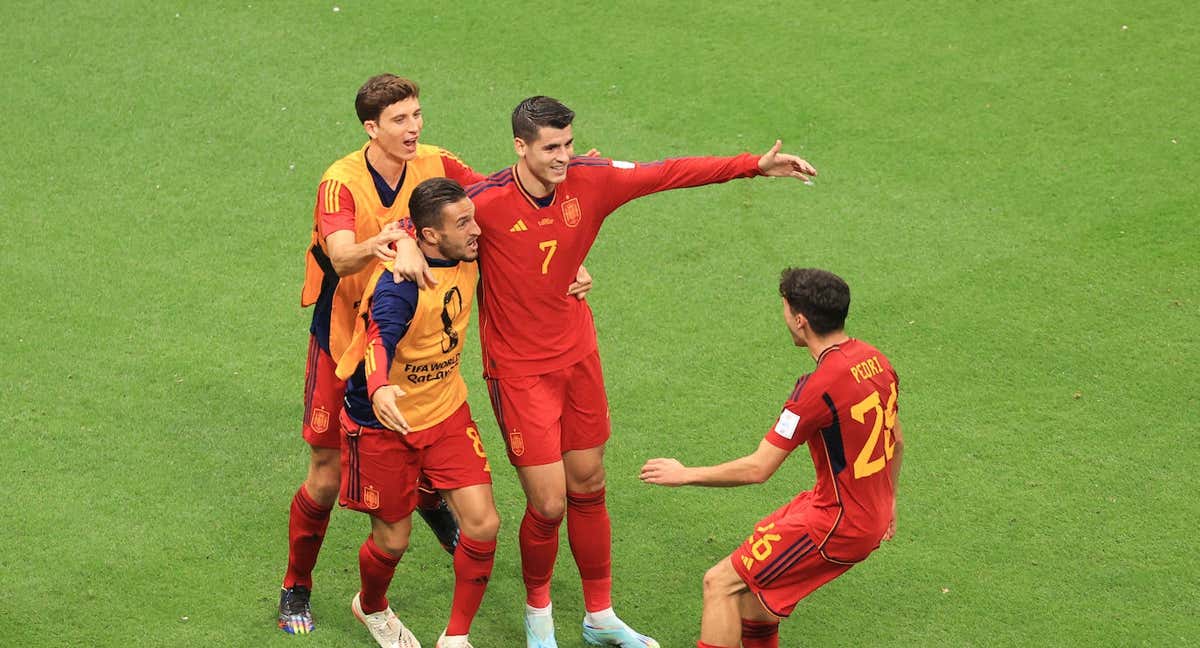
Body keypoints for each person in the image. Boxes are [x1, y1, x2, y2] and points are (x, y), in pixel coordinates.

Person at [405, 96, 817, 648]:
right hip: (520, 372)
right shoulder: (487, 203)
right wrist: (399, 247)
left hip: (578, 357)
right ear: (520, 147)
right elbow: (427, 228)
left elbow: (667, 173)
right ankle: (539, 619)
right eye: (551, 147)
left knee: (590, 485)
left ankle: (600, 616)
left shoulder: (590, 180)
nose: (564, 157)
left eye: (569, 144)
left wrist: (753, 165)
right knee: (548, 504)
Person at [279, 73, 484, 635]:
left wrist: (566, 185)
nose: (414, 128)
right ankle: (297, 583)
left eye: (417, 114)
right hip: (344, 334)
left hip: (410, 334)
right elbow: (343, 258)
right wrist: (399, 240)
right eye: (399, 119)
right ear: (371, 128)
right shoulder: (340, 182)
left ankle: (426, 498)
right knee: (324, 473)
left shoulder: (438, 162)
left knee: (425, 418)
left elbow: (493, 200)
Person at [639, 268, 903, 648]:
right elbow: (896, 440)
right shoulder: (877, 360)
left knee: (720, 584)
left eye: (784, 309)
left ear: (801, 320)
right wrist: (888, 500)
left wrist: (685, 474)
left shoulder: (816, 388)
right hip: (863, 510)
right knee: (752, 596)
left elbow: (759, 468)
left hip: (838, 523)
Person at [334, 177, 498, 648]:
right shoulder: (400, 284)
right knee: (392, 542)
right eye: (463, 223)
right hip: (382, 422)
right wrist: (381, 387)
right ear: (429, 235)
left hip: (446, 411)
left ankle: (456, 638)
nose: (476, 230)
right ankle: (371, 607)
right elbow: (377, 338)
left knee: (483, 524)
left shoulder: (464, 250)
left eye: (472, 217)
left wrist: (576, 268)